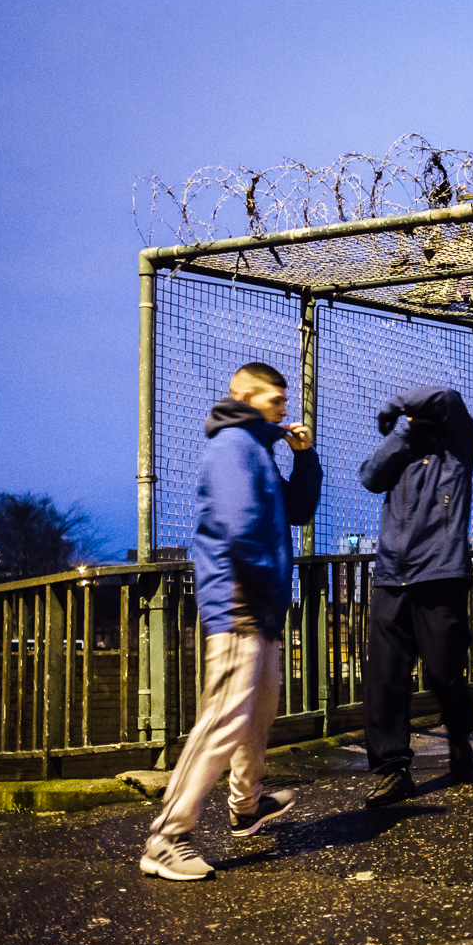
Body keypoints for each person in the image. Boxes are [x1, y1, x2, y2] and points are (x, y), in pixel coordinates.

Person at [141, 362, 322, 881]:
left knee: (257, 711)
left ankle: (248, 806)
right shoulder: (231, 447)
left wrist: (304, 457)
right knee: (222, 720)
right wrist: (265, 592)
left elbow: (297, 513)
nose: (285, 407)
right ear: (245, 395)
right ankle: (167, 838)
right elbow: (241, 530)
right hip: (241, 602)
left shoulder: (258, 449)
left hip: (261, 604)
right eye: (276, 399)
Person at [358, 385, 473, 807]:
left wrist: (395, 405)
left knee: (444, 672)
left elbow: (447, 397)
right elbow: (370, 477)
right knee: (385, 677)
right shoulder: (400, 452)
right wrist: (401, 432)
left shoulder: (459, 448)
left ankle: (460, 731)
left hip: (441, 574)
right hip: (392, 576)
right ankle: (392, 770)